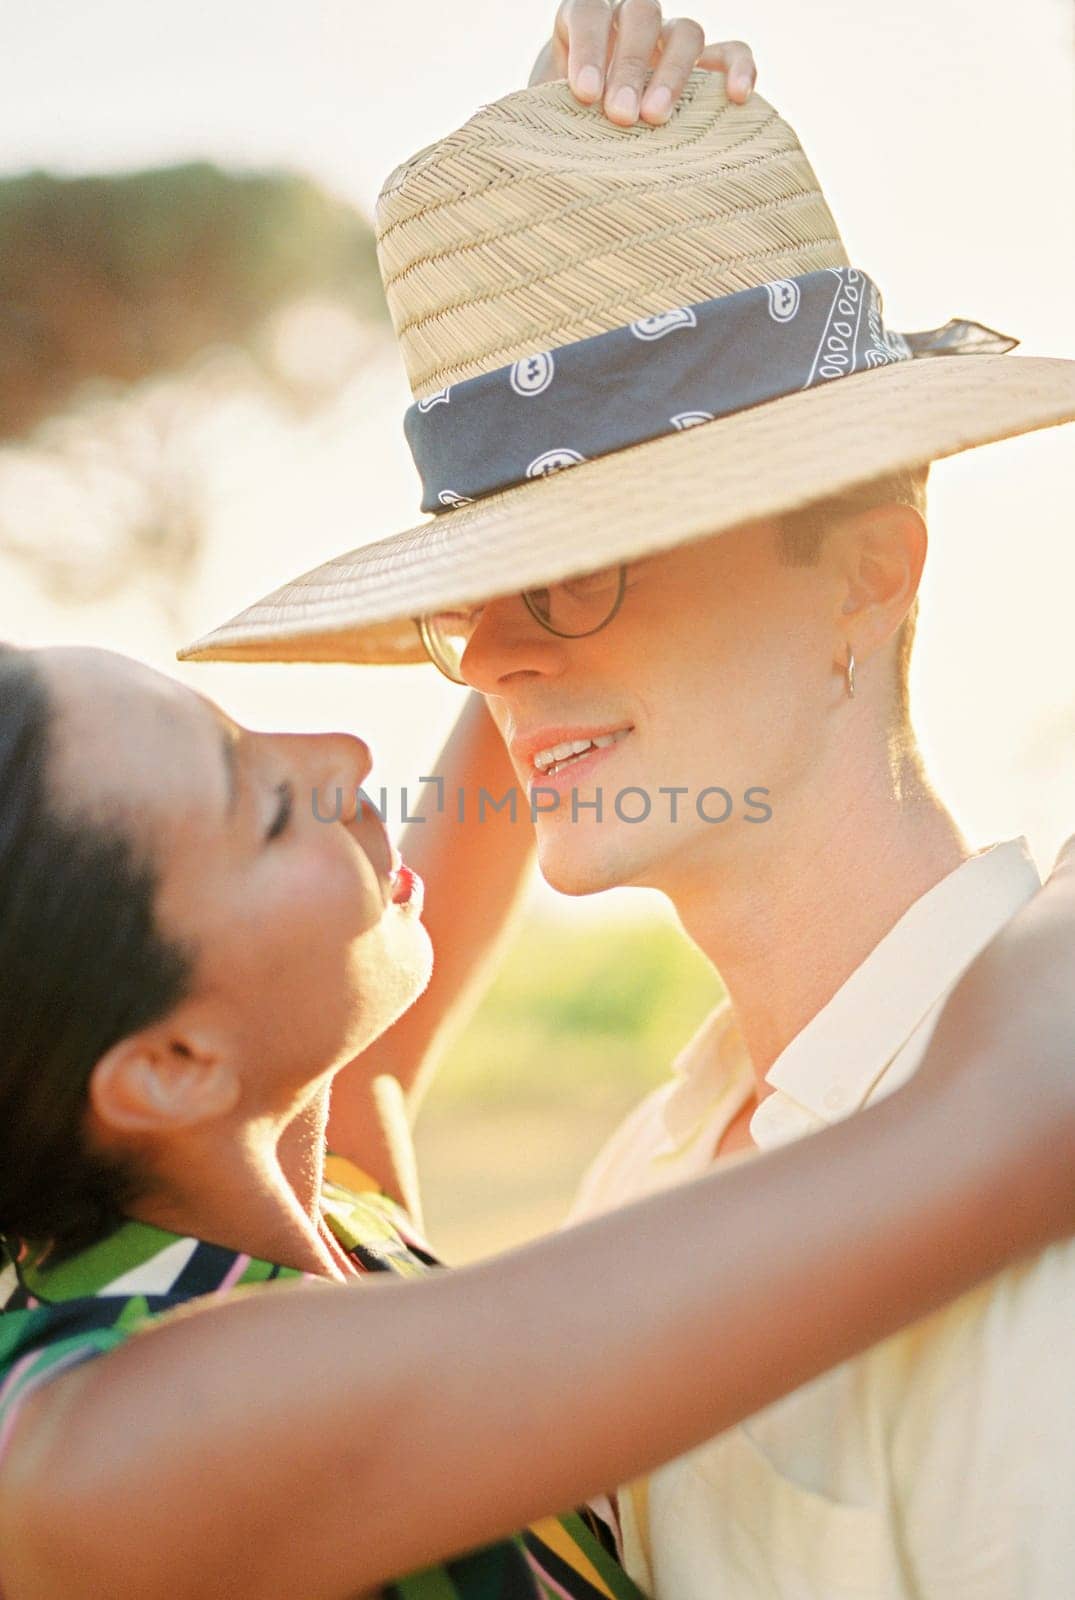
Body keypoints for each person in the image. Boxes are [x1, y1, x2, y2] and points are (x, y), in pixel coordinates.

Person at [177, 4, 1075, 1594]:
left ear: (869, 568)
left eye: (578, 575)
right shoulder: (653, 1173)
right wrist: (559, 234)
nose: (492, 674)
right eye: (482, 596)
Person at [1, 639, 1074, 1600]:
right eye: (270, 804)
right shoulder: (109, 1458)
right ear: (173, 1065)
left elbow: (469, 799)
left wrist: (544, 584)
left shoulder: (307, 1216)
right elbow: (1001, 1122)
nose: (343, 752)